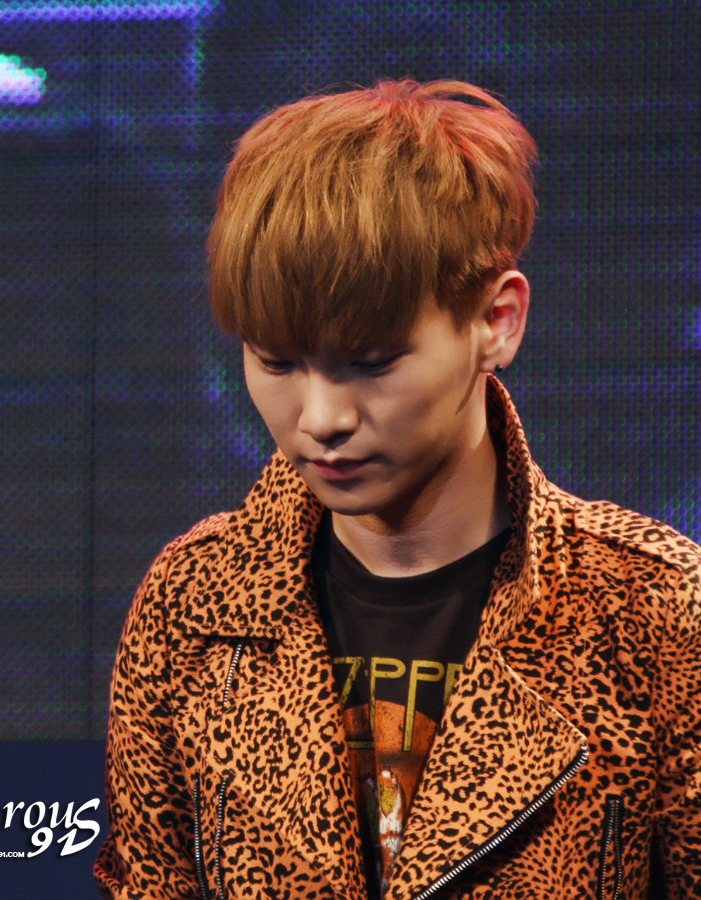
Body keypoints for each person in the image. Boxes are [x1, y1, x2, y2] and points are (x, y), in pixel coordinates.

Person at [96, 79, 701, 898]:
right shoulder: (193, 605)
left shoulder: (651, 610)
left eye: (372, 362)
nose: (321, 418)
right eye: (277, 361)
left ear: (497, 321)